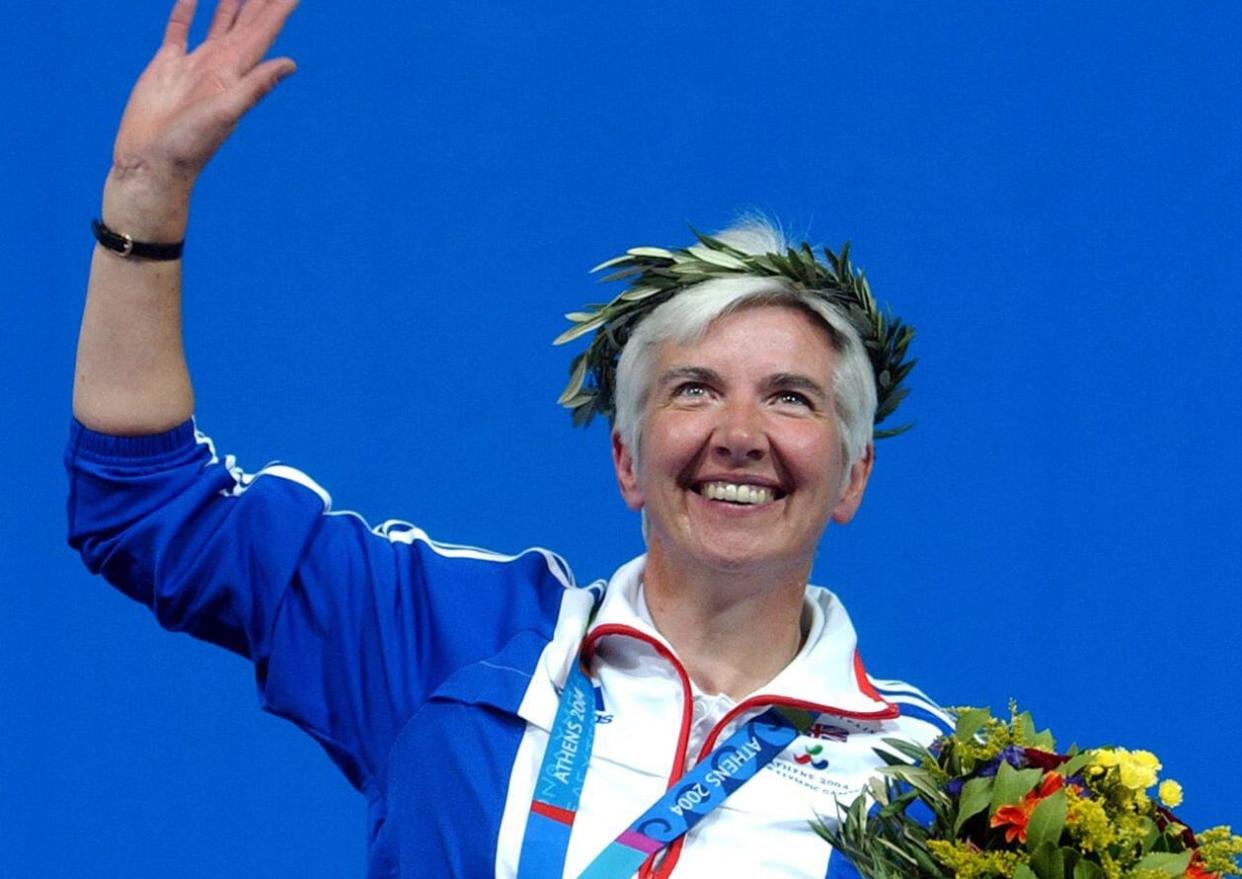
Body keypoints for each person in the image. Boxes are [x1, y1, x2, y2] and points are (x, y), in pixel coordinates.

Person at [68, 1, 950, 877]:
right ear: (626, 459)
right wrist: (146, 194)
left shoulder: (933, 787)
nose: (740, 435)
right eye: (695, 389)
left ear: (852, 475)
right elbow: (147, 504)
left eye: (790, 398)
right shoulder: (459, 640)